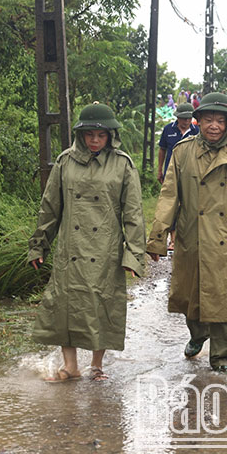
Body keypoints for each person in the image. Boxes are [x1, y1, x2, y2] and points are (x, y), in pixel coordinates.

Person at [28, 103, 146, 383]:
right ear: (80, 135)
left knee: (100, 304)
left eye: (101, 135)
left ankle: (96, 365)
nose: (95, 140)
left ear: (110, 136)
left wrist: (133, 255)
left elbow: (133, 214)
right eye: (89, 134)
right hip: (71, 246)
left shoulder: (122, 164)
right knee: (65, 304)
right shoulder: (65, 161)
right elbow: (50, 207)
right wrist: (39, 244)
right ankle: (70, 365)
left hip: (105, 247)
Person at [146, 93, 227, 373]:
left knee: (226, 299)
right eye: (208, 119)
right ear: (198, 121)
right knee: (191, 297)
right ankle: (198, 335)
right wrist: (158, 238)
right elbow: (169, 196)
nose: (214, 126)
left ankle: (221, 356)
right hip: (192, 237)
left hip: (226, 239)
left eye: (220, 120)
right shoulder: (183, 152)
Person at [158, 102, 199, 184]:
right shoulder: (168, 129)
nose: (187, 121)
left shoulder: (197, 131)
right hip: (170, 170)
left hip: (190, 172)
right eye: (184, 118)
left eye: (189, 118)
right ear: (178, 117)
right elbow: (162, 149)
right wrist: (159, 170)